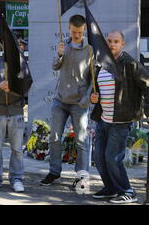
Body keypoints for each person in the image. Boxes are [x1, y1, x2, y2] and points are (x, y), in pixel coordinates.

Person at [90, 31, 149, 204]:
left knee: (113, 158)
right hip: (103, 120)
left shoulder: (129, 63)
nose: (112, 44)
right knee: (99, 157)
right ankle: (111, 188)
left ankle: (127, 191)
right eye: (109, 41)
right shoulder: (101, 63)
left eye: (116, 41)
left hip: (121, 121)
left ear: (122, 44)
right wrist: (94, 96)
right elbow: (98, 89)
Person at [40, 14, 93, 187]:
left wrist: (86, 99)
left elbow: (94, 77)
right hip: (60, 100)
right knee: (54, 138)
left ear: (83, 30)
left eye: (79, 32)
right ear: (69, 29)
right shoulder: (64, 45)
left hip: (79, 102)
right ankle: (54, 172)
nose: (76, 35)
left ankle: (81, 176)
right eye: (73, 31)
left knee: (81, 141)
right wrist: (60, 54)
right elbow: (55, 66)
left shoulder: (90, 49)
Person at [0, 55, 29, 192]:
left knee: (17, 149)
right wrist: (0, 85)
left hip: (16, 112)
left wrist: (14, 89)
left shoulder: (22, 64)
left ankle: (16, 178)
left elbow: (27, 86)